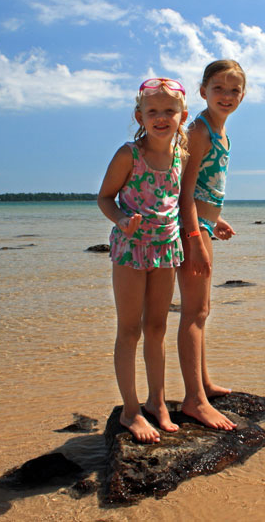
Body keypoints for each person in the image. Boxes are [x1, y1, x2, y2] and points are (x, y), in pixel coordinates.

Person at [97, 78, 188, 443]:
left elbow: (182, 203)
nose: (161, 118)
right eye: (153, 111)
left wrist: (210, 223)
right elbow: (105, 197)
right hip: (130, 250)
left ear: (182, 116)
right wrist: (122, 220)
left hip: (166, 249)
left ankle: (158, 402)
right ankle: (130, 410)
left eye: (169, 111)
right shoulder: (128, 155)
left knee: (157, 329)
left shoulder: (182, 155)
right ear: (140, 116)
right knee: (130, 330)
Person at [177, 60, 246, 430]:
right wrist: (195, 238)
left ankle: (202, 384)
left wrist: (215, 220)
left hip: (203, 223)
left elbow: (206, 186)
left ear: (243, 96)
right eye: (218, 88)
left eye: (234, 90)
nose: (227, 96)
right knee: (194, 312)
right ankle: (194, 400)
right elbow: (183, 191)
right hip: (190, 227)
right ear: (203, 91)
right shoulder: (199, 130)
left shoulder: (221, 133)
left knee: (201, 311)